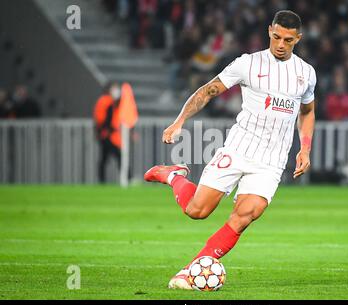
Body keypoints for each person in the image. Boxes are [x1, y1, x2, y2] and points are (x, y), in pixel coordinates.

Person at [144, 10, 316, 290]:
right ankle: (173, 175)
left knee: (247, 213)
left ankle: (190, 272)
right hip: (238, 148)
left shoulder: (306, 74)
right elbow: (209, 90)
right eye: (276, 37)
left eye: (288, 40)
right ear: (269, 30)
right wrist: (179, 121)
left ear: (298, 38)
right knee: (197, 211)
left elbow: (307, 112)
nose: (281, 44)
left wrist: (305, 148)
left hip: (271, 162)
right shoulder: (247, 64)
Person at [93, 82, 122, 183]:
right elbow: (104, 119)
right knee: (118, 156)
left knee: (105, 158)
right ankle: (127, 178)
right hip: (107, 134)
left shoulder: (104, 100)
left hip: (104, 134)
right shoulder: (107, 101)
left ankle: (102, 180)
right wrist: (109, 130)